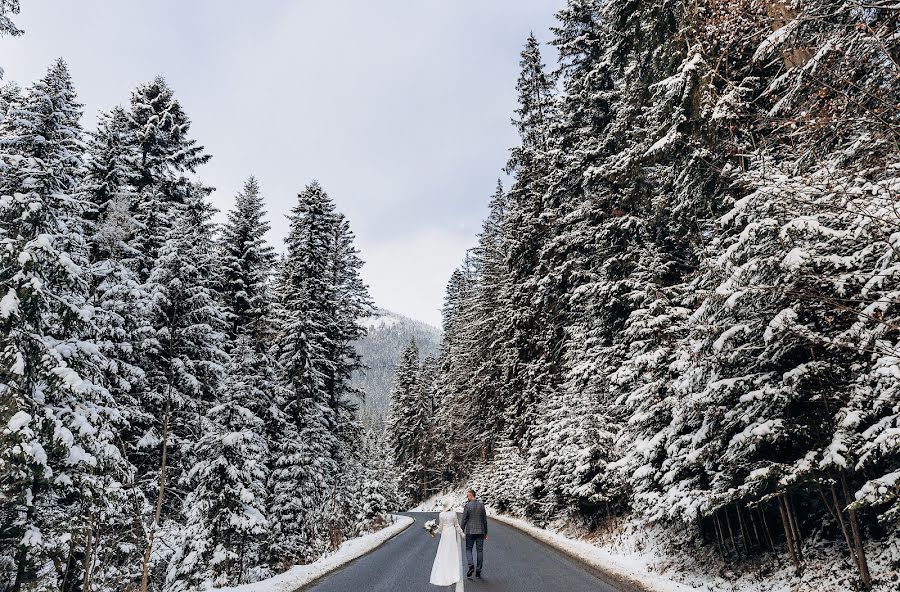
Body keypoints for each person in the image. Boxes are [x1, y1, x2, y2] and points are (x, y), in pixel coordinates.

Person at [429, 498, 465, 590]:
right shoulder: (453, 514)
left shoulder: (441, 514)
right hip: (452, 534)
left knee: (443, 552)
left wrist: (433, 532)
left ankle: (444, 572)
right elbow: (457, 526)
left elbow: (440, 528)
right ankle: (452, 573)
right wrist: (462, 534)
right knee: (452, 553)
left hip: (445, 534)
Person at [460, 488, 488, 578]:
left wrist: (461, 530)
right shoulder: (481, 505)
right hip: (480, 531)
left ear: (471, 495)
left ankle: (471, 565)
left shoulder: (467, 506)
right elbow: (484, 520)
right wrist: (486, 532)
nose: (467, 497)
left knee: (468, 549)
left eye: (468, 495)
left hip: (470, 532)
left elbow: (464, 519)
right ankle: (478, 571)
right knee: (480, 551)